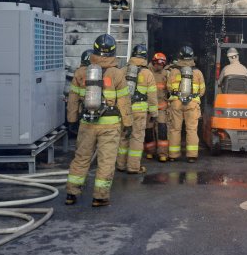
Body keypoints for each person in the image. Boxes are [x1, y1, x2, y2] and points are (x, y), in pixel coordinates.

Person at [66, 34, 132, 207]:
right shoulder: (117, 74)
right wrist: (128, 123)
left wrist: (71, 120)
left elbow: (73, 99)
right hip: (110, 125)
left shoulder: (81, 73)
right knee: (106, 161)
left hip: (87, 123)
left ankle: (71, 194)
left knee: (81, 158)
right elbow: (124, 102)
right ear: (113, 52)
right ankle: (99, 197)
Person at [116, 44, 158, 174]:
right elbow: (152, 96)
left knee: (123, 136)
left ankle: (121, 165)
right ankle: (133, 167)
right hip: (139, 111)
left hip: (124, 110)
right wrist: (154, 113)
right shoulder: (147, 74)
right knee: (137, 138)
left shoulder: (122, 71)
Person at [166, 46, 206, 162]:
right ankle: (192, 156)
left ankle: (173, 155)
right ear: (192, 57)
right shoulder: (198, 73)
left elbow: (168, 87)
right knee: (192, 130)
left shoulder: (173, 71)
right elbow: (202, 91)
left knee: (175, 129)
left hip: (176, 103)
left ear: (179, 56)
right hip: (192, 104)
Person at [145, 52, 170, 161]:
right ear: (154, 62)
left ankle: (162, 154)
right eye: (158, 63)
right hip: (149, 108)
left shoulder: (166, 73)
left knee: (162, 131)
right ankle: (150, 152)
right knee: (149, 131)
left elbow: (169, 88)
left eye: (162, 64)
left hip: (161, 108)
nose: (160, 66)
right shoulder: (146, 72)